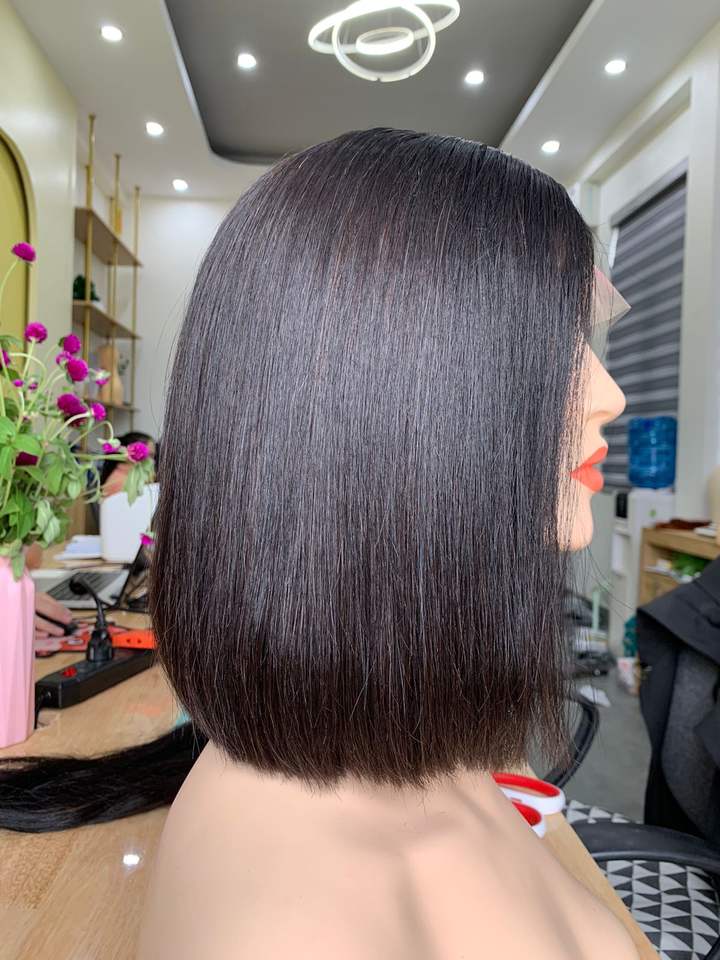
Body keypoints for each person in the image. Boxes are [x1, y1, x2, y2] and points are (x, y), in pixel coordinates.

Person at [0, 129, 637, 959]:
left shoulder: (438, 757)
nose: (610, 394)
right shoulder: (283, 931)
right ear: (390, 399)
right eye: (549, 345)